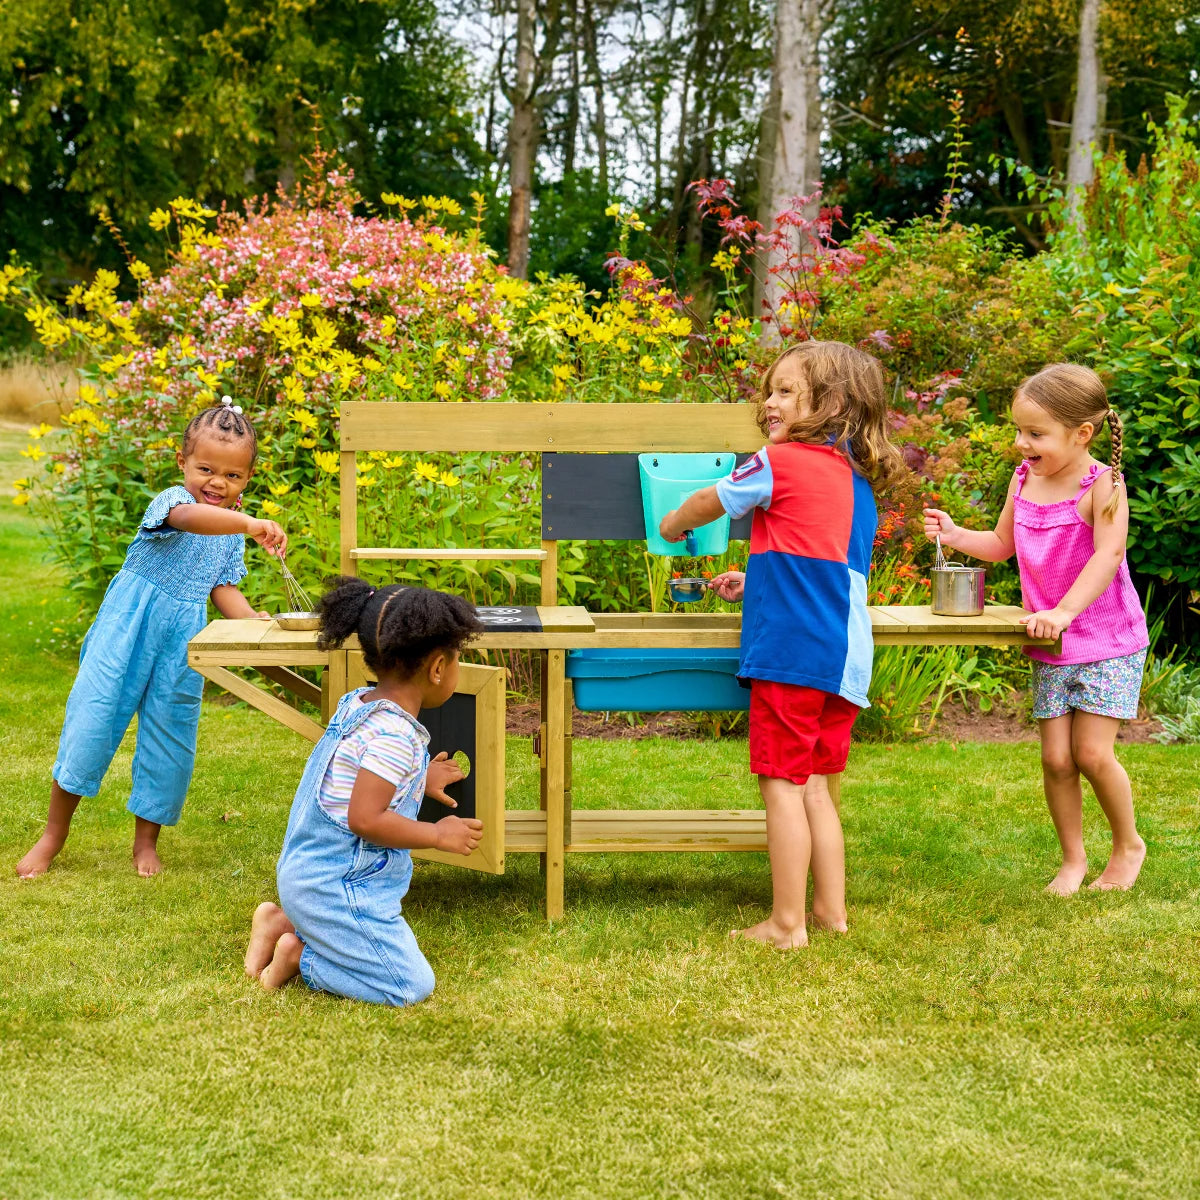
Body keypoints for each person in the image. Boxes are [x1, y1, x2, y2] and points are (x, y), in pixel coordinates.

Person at [660, 341, 904, 949]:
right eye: (770, 390)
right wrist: (757, 580)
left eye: (787, 391)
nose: (770, 402)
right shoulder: (856, 481)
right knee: (817, 786)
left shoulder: (779, 460)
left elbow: (708, 500)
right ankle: (830, 912)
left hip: (792, 656)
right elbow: (822, 569)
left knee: (781, 787)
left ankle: (786, 923)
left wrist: (674, 524)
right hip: (842, 654)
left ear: (834, 402)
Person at [16, 399, 286, 879]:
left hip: (179, 643)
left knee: (170, 739)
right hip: (126, 631)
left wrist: (252, 623)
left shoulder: (229, 532)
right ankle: (54, 835)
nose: (217, 483)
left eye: (232, 475)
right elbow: (189, 520)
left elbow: (222, 587)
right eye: (205, 468)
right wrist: (249, 522)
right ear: (181, 463)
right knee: (92, 722)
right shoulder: (171, 503)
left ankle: (145, 843)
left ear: (247, 478)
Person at [924, 363, 1149, 895]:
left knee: (1092, 754)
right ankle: (1072, 861)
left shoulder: (1105, 486)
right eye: (1019, 431)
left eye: (1036, 434)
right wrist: (956, 535)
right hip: (1050, 639)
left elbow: (1107, 555)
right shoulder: (1024, 478)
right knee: (1055, 758)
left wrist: (1065, 612)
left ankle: (1128, 845)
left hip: (1107, 640)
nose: (1022, 444)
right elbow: (1002, 545)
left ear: (1082, 434)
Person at [245, 579, 485, 1005]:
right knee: (409, 985)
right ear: (437, 669)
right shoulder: (396, 736)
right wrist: (437, 835)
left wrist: (418, 780)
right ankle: (300, 955)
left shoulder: (360, 704)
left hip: (307, 873)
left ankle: (280, 921)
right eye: (457, 660)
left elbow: (355, 776)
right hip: (340, 888)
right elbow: (366, 819)